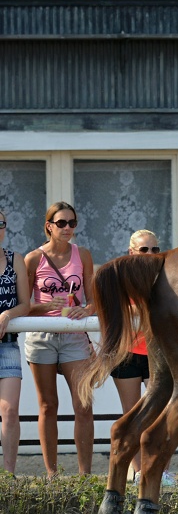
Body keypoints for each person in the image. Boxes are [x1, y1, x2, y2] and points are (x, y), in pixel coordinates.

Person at [24, 202, 95, 478]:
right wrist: (44, 306)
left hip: (74, 336)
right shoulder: (33, 259)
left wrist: (86, 310)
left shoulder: (83, 255)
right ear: (48, 226)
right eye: (62, 222)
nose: (68, 228)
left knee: (83, 405)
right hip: (41, 335)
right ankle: (52, 474)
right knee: (48, 405)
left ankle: (85, 475)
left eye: (72, 223)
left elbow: (94, 299)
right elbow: (23, 304)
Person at [109, 229, 176, 486]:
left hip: (157, 352)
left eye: (155, 249)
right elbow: (115, 306)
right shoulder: (120, 275)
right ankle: (137, 473)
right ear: (131, 252)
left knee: (163, 415)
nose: (150, 254)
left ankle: (162, 471)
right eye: (144, 249)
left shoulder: (164, 274)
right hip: (127, 353)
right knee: (132, 415)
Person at [0, 209, 32, 475]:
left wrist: (8, 313)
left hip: (7, 345)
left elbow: (26, 304)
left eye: (0, 223)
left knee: (9, 411)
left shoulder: (15, 260)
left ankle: (8, 475)